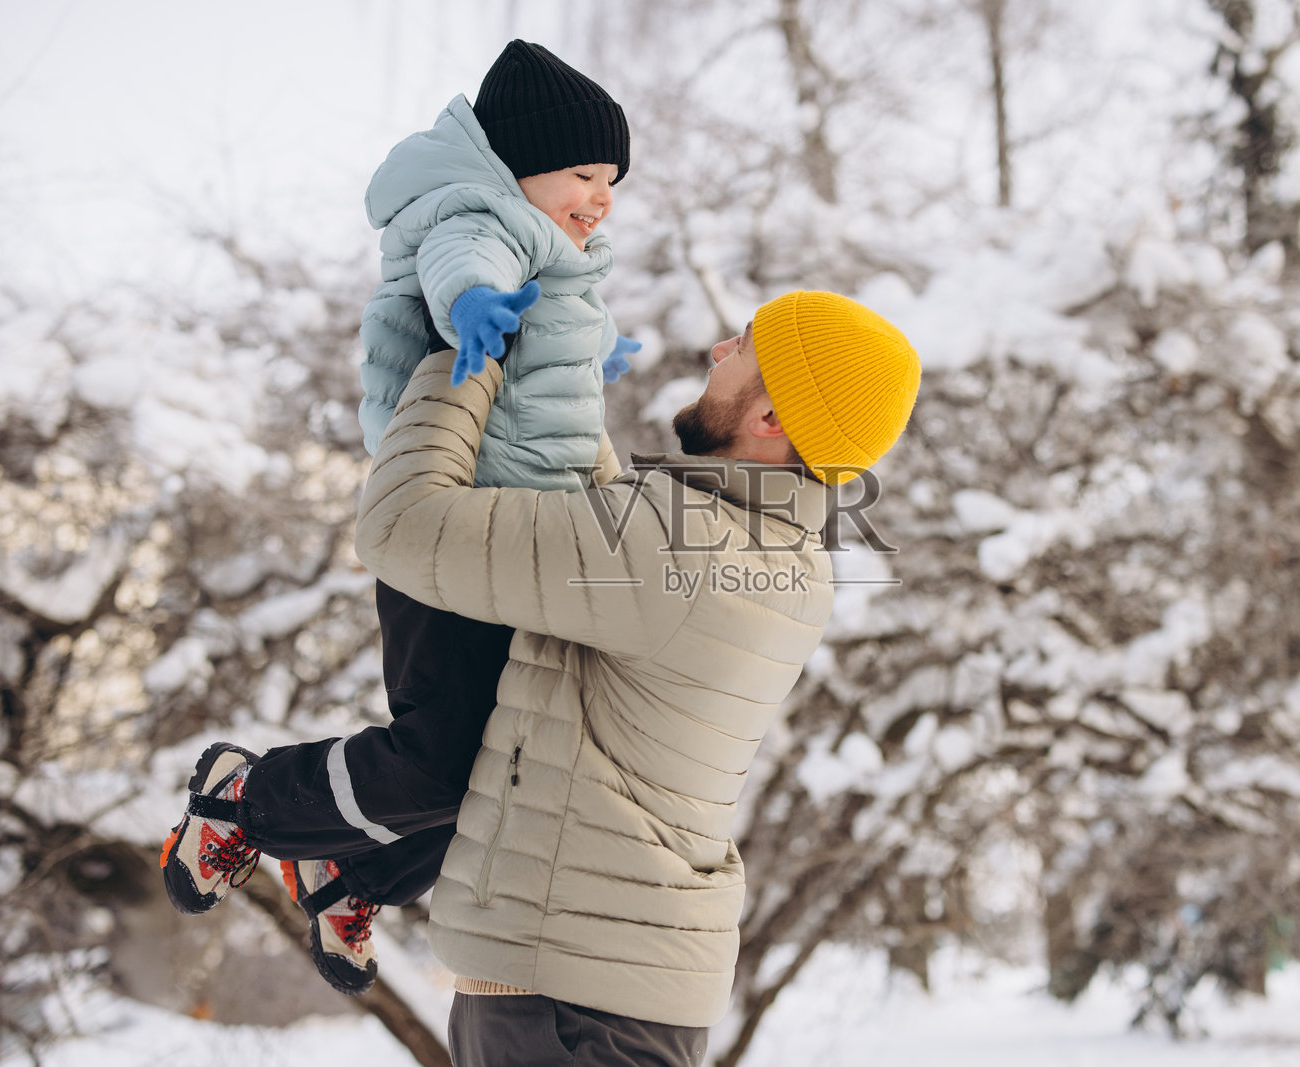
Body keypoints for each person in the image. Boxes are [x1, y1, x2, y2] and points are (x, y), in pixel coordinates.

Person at [159, 39, 637, 997]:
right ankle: (244, 801)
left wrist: (596, 356)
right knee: (440, 756)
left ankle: (350, 874)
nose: (602, 196)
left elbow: (550, 346)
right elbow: (464, 262)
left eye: (615, 180)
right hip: (449, 534)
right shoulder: (478, 217)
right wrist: (475, 307)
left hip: (515, 548)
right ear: (519, 163)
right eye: (585, 172)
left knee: (509, 767)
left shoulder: (559, 254)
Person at [355, 289, 920, 1066]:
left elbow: (398, 528)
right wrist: (558, 371)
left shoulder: (680, 551)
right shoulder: (776, 551)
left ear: (772, 421)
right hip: (601, 987)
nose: (719, 350)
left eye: (745, 346)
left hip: (570, 1000)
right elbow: (602, 534)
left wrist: (465, 353)